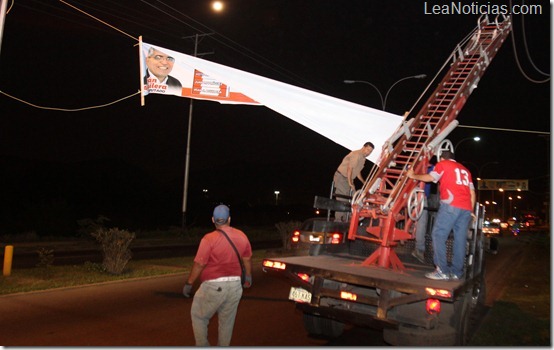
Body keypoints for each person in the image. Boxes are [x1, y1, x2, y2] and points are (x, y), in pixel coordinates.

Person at [183, 204, 252, 346]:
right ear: (229, 219)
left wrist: (189, 283)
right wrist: (249, 277)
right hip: (235, 286)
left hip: (213, 286)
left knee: (199, 316)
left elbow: (200, 264)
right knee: (227, 323)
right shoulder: (242, 236)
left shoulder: (208, 239)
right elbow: (247, 259)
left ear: (213, 220)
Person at [406, 150, 475, 281]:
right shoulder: (466, 170)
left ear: (442, 158)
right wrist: (471, 211)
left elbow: (431, 178)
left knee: (438, 234)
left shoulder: (443, 164)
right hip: (465, 208)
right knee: (460, 239)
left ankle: (442, 270)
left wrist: (413, 175)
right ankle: (456, 272)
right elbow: (472, 193)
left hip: (451, 205)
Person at [333, 142, 374, 222]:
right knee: (342, 198)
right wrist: (350, 183)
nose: (368, 152)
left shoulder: (363, 158)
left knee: (355, 198)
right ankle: (339, 220)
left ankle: (351, 218)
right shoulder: (356, 154)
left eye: (370, 151)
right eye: (368, 150)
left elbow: (357, 171)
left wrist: (364, 182)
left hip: (348, 178)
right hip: (342, 177)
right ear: (363, 147)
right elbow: (350, 169)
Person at [412, 156, 438, 264]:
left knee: (418, 220)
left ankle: (418, 244)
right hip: (420, 196)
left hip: (412, 196)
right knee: (422, 221)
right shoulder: (432, 168)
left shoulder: (412, 167)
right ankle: (419, 249)